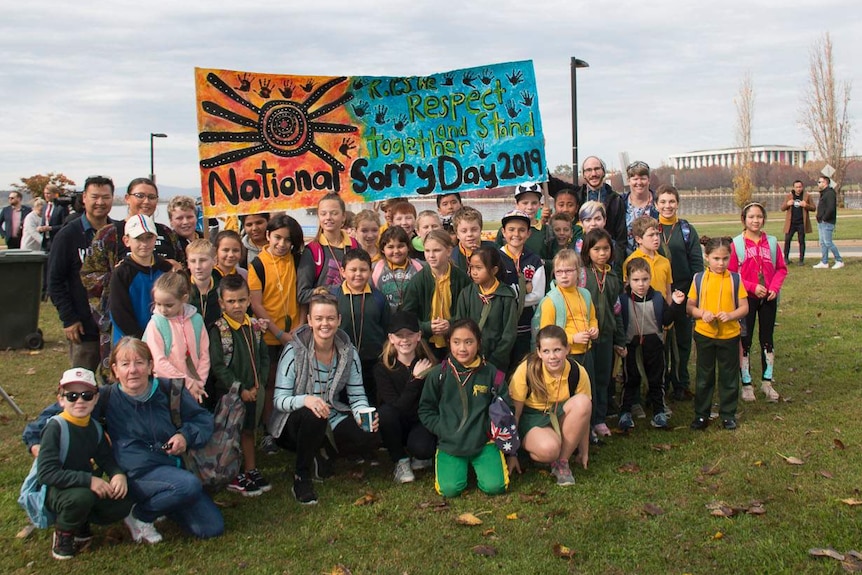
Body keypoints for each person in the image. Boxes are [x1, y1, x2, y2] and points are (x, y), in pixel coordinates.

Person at [24, 339, 225, 541]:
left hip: (173, 468)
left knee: (210, 527)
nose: (132, 371)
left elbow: (203, 419)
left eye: (139, 363)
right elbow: (51, 417)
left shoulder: (170, 390)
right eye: (125, 364)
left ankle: (162, 503)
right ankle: (140, 515)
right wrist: (35, 443)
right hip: (130, 475)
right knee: (188, 485)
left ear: (150, 366)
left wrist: (185, 436)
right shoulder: (102, 397)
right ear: (115, 369)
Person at [270, 289, 378, 505]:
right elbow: (279, 400)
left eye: (330, 318)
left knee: (369, 436)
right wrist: (305, 400)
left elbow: (357, 396)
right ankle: (302, 476)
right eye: (319, 318)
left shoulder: (348, 352)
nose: (325, 324)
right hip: (294, 421)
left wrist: (362, 415)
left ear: (339, 320)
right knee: (314, 416)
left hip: (331, 413)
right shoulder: (294, 351)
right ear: (309, 320)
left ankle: (322, 453)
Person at [81, 178, 183, 378]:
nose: (146, 201)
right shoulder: (109, 235)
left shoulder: (167, 233)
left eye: (152, 197)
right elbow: (88, 277)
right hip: (123, 327)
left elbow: (182, 269)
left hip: (165, 327)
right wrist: (116, 276)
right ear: (127, 198)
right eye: (140, 195)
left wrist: (178, 270)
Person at [38, 367, 132, 560]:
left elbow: (106, 458)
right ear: (61, 399)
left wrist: (117, 474)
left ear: (96, 399)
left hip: (84, 487)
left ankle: (80, 522)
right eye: (72, 396)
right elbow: (46, 473)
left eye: (87, 395)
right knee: (80, 498)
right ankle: (63, 534)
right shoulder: (56, 427)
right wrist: (89, 481)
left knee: (125, 499)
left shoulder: (94, 428)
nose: (80, 401)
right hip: (57, 490)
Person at [418, 318, 513, 498]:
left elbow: (507, 405)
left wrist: (488, 429)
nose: (462, 348)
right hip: (450, 444)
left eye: (469, 342)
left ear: (479, 343)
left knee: (495, 487)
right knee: (450, 490)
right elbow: (425, 409)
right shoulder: (438, 374)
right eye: (456, 342)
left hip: (484, 443)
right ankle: (458, 467)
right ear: (449, 343)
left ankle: (482, 465)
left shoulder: (495, 373)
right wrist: (443, 429)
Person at [209, 274, 272, 497]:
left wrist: (260, 384)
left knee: (248, 431)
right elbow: (218, 366)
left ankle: (251, 469)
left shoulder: (254, 327)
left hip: (253, 391)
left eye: (241, 300)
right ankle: (232, 473)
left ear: (248, 301)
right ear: (222, 303)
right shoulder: (219, 330)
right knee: (230, 434)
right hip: (230, 395)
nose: (237, 306)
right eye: (231, 301)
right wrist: (239, 388)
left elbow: (264, 358)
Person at [247, 214, 304, 454]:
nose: (281, 244)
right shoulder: (258, 264)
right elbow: (257, 304)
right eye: (277, 237)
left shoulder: (298, 260)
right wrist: (279, 333)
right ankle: (270, 433)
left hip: (296, 333)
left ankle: (294, 429)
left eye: (287, 240)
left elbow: (302, 296)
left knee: (296, 383)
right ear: (268, 235)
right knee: (271, 385)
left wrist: (299, 327)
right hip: (271, 336)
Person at [508, 325, 592, 486]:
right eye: (546, 351)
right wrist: (512, 454)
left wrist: (584, 451)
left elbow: (585, 416)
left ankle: (562, 462)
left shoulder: (577, 371)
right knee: (548, 449)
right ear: (538, 352)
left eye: (557, 350)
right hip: (532, 418)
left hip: (559, 414)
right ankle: (545, 452)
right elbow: (515, 414)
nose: (552, 356)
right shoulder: (526, 370)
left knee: (583, 402)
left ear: (567, 349)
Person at [47, 177, 115, 372]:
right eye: (94, 197)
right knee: (82, 384)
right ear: (84, 198)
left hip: (114, 325)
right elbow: (55, 281)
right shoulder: (68, 235)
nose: (100, 202)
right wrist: (69, 319)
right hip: (85, 328)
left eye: (106, 197)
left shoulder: (119, 232)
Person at [687, 237, 749, 430]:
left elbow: (744, 307)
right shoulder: (699, 279)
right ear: (707, 258)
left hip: (729, 335)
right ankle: (701, 414)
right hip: (704, 334)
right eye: (716, 258)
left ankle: (728, 414)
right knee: (705, 375)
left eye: (725, 259)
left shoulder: (735, 279)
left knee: (729, 376)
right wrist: (701, 313)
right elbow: (690, 307)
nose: (721, 263)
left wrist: (731, 315)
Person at [618, 258, 686, 431]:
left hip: (654, 345)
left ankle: (659, 412)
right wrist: (620, 344)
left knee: (656, 380)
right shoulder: (623, 300)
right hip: (632, 346)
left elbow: (666, 320)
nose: (641, 284)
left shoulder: (657, 298)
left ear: (650, 278)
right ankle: (625, 412)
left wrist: (676, 305)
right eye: (636, 280)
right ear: (628, 279)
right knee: (630, 379)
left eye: (645, 279)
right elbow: (619, 323)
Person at [729, 203, 787, 403]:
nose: (755, 220)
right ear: (744, 219)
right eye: (751, 217)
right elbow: (731, 274)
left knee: (767, 339)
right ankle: (746, 383)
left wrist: (774, 288)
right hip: (746, 299)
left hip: (768, 298)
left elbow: (781, 268)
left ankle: (767, 382)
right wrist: (752, 287)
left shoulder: (771, 243)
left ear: (764, 219)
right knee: (745, 340)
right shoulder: (736, 244)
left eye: (759, 217)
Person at [374, 311, 437, 483]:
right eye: (399, 335)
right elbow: (396, 407)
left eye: (410, 334)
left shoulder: (428, 363)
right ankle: (400, 460)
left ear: (418, 336)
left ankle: (420, 455)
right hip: (396, 424)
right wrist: (415, 380)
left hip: (420, 421)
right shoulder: (383, 368)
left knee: (422, 448)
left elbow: (432, 402)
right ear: (391, 338)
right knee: (385, 413)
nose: (405, 340)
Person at [656, 184, 703, 400]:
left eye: (671, 201)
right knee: (662, 340)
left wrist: (694, 293)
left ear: (677, 203)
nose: (667, 206)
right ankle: (661, 382)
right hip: (659, 292)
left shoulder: (686, 230)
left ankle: (681, 383)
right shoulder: (651, 228)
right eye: (663, 202)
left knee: (683, 339)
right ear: (656, 204)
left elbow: (696, 264)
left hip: (684, 290)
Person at [580, 229, 625, 437]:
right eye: (596, 249)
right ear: (587, 251)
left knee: (603, 378)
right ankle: (585, 422)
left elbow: (616, 309)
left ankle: (600, 418)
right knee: (586, 379)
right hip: (585, 337)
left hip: (606, 335)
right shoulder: (581, 276)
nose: (601, 253)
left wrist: (620, 339)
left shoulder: (614, 277)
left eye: (606, 248)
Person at [402, 229, 471, 360]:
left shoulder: (461, 279)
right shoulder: (417, 281)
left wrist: (451, 323)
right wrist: (426, 327)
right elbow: (407, 316)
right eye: (427, 251)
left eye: (437, 250)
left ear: (449, 251)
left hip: (456, 341)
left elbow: (470, 310)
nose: (431, 255)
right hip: (426, 343)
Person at [333, 248, 390, 404]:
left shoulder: (379, 298)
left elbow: (386, 329)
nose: (358, 274)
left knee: (370, 399)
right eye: (353, 270)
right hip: (340, 360)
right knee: (343, 400)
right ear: (343, 272)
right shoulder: (333, 297)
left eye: (363, 270)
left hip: (372, 360)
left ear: (370, 272)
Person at [143, 272, 210, 403]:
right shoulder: (156, 324)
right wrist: (188, 383)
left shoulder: (196, 320)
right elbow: (158, 361)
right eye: (158, 304)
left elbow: (204, 354)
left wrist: (199, 383)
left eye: (169, 305)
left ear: (184, 298)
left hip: (194, 390)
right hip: (165, 388)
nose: (163, 310)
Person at [109, 215, 173, 344]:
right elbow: (119, 313)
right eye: (138, 238)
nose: (144, 244)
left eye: (149, 237)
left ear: (155, 238)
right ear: (126, 241)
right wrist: (142, 341)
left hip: (164, 340)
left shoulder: (166, 269)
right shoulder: (121, 273)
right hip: (131, 343)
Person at [454, 246, 519, 373]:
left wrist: (496, 358)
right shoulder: (466, 294)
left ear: (494, 270)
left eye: (479, 268)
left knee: (496, 388)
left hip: (498, 362)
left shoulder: (506, 296)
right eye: (472, 267)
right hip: (469, 359)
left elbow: (509, 333)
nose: (474, 272)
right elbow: (459, 325)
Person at [498, 209, 546, 367]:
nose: (516, 234)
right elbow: (495, 292)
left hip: (525, 325)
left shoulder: (534, 260)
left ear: (528, 234)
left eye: (521, 230)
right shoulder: (495, 259)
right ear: (503, 232)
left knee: (523, 365)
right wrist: (524, 290)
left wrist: (509, 297)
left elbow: (538, 295)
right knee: (501, 365)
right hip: (501, 325)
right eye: (511, 229)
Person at [538, 249, 598, 372]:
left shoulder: (585, 294)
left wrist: (594, 329)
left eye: (569, 271)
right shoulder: (550, 301)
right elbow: (546, 334)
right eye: (559, 272)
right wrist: (572, 338)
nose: (564, 276)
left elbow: (592, 318)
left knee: (587, 388)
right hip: (565, 356)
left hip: (587, 352)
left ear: (578, 272)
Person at [297, 193, 360, 303]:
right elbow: (302, 294)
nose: (328, 218)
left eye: (334, 213)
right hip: (325, 316)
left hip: (352, 311)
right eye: (323, 214)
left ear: (343, 217)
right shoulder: (312, 250)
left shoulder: (354, 246)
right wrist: (325, 292)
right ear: (319, 216)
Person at [569, 157, 626, 264]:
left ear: (603, 171)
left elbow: (621, 238)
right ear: (583, 174)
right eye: (589, 170)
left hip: (607, 258)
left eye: (597, 169)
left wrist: (617, 264)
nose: (593, 173)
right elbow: (552, 184)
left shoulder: (616, 200)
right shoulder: (577, 196)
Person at [372, 226, 424, 312]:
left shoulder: (420, 267)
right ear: (382, 249)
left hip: (413, 319)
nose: (396, 251)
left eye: (400, 246)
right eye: (390, 247)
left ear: (408, 247)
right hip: (386, 320)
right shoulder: (375, 269)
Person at [623, 215, 673, 302]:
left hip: (662, 309)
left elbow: (668, 292)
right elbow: (627, 291)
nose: (656, 238)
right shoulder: (630, 261)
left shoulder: (664, 261)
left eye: (657, 234)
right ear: (639, 239)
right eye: (651, 235)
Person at [495, 182, 547, 257]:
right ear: (516, 204)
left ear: (539, 204)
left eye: (534, 203)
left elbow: (557, 261)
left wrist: (538, 262)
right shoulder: (505, 231)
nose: (530, 207)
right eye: (525, 203)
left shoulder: (548, 232)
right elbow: (496, 257)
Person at [622, 161, 658, 257]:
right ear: (628, 180)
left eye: (643, 178)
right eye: (635, 179)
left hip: (654, 258)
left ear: (649, 180)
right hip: (626, 259)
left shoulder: (658, 203)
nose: (639, 182)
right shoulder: (619, 203)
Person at [186, 239, 222, 329]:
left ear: (214, 261)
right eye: (193, 261)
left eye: (203, 260)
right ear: (188, 264)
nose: (198, 266)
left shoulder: (222, 288)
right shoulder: (181, 289)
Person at [781, 180, 816, 265]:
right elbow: (782, 208)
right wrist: (788, 204)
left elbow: (814, 208)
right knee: (787, 240)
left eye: (800, 187)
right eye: (796, 187)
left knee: (801, 241)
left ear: (802, 187)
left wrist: (806, 205)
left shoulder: (807, 196)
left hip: (801, 223)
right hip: (791, 223)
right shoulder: (789, 196)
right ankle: (786, 258)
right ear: (793, 188)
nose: (798, 189)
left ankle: (801, 260)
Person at [450, 206, 495, 271]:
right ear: (457, 234)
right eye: (464, 231)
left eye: (474, 230)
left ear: (480, 229)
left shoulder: (494, 250)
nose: (469, 234)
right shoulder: (452, 257)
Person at [813, 176, 844, 269]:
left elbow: (831, 208)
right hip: (821, 222)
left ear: (825, 183)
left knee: (828, 242)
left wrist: (824, 218)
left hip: (827, 222)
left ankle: (839, 260)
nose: (818, 184)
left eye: (820, 182)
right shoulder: (823, 193)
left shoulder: (830, 193)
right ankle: (824, 262)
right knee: (822, 243)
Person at [38, 184, 69, 252]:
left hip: (57, 239)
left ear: (55, 194)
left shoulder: (61, 207)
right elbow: (44, 222)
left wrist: (51, 228)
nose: (46, 195)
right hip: (46, 241)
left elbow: (65, 225)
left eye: (48, 193)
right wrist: (41, 228)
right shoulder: (45, 206)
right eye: (45, 193)